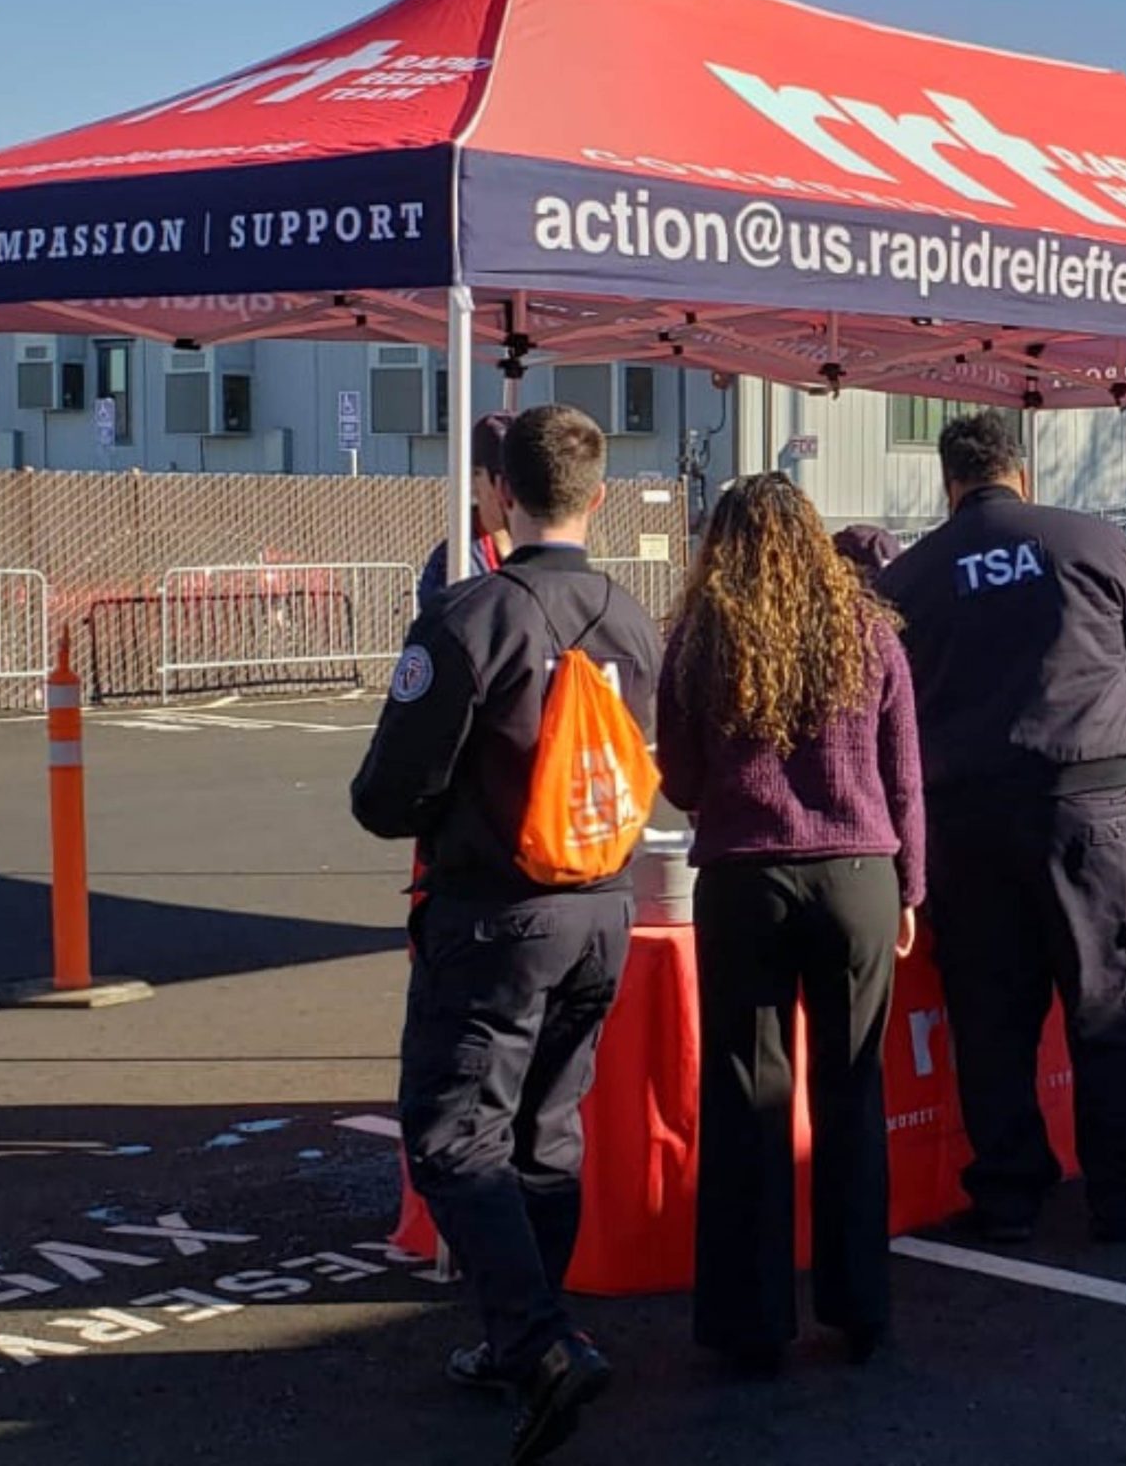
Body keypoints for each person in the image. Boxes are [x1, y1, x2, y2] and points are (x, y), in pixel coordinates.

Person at [351, 404, 662, 1466]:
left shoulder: (472, 613)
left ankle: (537, 1337)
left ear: (496, 494)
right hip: (605, 905)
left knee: (448, 1132)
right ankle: (526, 1327)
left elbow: (389, 793)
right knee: (547, 1126)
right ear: (598, 495)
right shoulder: (632, 614)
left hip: (494, 908)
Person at [878, 411, 1126, 1244]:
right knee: (1115, 998)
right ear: (1021, 472)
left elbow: (889, 711)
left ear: (947, 483)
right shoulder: (1089, 542)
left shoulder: (909, 577)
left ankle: (1010, 1191)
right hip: (1090, 802)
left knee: (989, 1014)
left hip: (967, 816)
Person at [655, 474, 924, 1376]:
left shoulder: (699, 638)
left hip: (744, 877)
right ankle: (864, 1312)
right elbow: (904, 777)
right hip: (858, 875)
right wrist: (912, 889)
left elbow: (684, 784)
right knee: (852, 1092)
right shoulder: (870, 633)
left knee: (746, 1098)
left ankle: (750, 1324)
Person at [415, 410, 519, 617]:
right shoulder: (455, 563)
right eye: (503, 479)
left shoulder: (541, 547)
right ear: (473, 480)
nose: (514, 491)